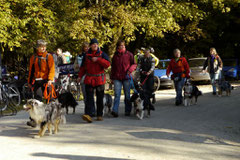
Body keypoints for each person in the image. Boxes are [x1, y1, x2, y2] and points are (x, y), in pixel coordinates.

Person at [78, 38, 110, 123]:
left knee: (99, 98)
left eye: (96, 44)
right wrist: (80, 76)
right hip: (89, 79)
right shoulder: (86, 55)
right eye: (93, 44)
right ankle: (88, 114)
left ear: (98, 45)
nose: (95, 45)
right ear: (90, 46)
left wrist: (98, 60)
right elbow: (82, 68)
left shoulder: (102, 54)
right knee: (89, 98)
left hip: (99, 79)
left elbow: (107, 64)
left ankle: (99, 115)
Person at [27, 39, 55, 127]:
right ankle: (34, 120)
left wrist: (50, 79)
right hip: (37, 81)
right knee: (36, 101)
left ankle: (50, 119)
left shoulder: (48, 56)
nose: (43, 48)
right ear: (37, 48)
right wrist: (29, 82)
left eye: (44, 46)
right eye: (41, 46)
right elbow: (31, 70)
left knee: (49, 101)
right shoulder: (33, 57)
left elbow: (52, 68)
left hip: (47, 81)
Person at [110, 40, 137, 117]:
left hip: (126, 77)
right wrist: (112, 78)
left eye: (123, 45)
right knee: (117, 94)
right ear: (118, 47)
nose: (122, 47)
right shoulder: (115, 56)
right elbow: (113, 67)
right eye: (121, 45)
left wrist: (130, 70)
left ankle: (128, 110)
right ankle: (115, 110)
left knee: (127, 95)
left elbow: (134, 64)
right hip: (117, 77)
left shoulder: (129, 54)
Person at [74, 42, 95, 114]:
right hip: (83, 77)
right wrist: (77, 68)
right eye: (85, 47)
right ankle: (88, 110)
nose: (87, 48)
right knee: (85, 95)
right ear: (83, 48)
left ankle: (93, 110)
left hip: (91, 76)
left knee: (91, 95)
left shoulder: (93, 55)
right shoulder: (79, 56)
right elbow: (75, 66)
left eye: (88, 47)